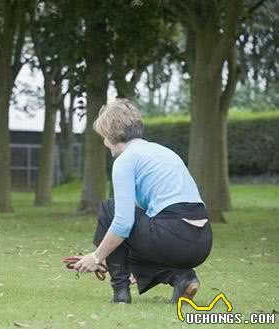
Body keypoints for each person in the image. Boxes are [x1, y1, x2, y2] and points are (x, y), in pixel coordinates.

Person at [73, 98, 212, 304]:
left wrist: (96, 257)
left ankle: (120, 292)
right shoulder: (163, 152)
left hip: (174, 235)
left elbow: (122, 222)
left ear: (110, 134)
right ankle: (182, 278)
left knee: (109, 209)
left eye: (102, 136)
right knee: (129, 238)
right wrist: (135, 267)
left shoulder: (125, 160)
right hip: (202, 242)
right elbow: (147, 221)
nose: (103, 142)